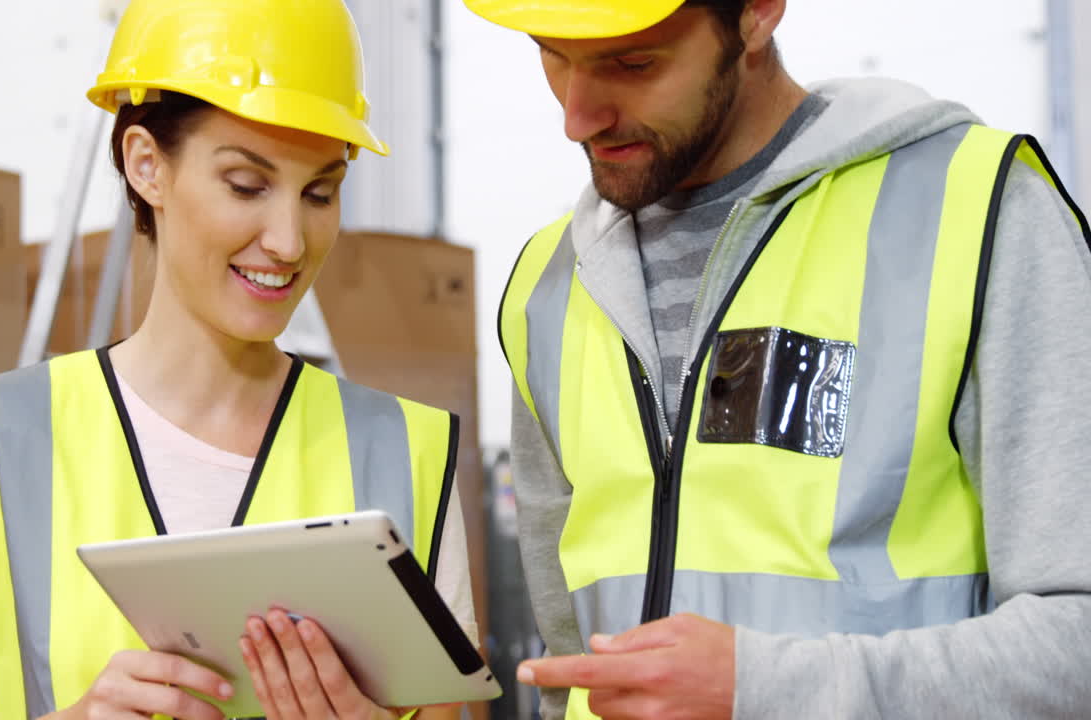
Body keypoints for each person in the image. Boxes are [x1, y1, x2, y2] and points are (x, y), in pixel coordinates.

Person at [464, 0, 1091, 717]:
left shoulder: (980, 211)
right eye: (553, 54)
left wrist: (764, 688)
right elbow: (571, 668)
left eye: (633, 63)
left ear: (757, 14)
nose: (578, 117)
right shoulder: (548, 286)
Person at [0, 1, 476, 718]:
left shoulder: (406, 456)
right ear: (146, 167)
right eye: (247, 185)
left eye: (320, 191)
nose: (290, 241)